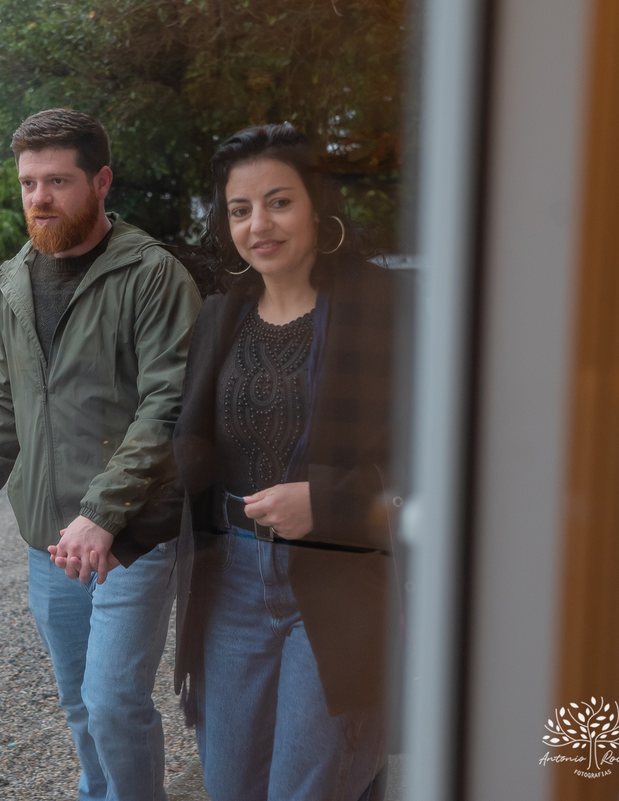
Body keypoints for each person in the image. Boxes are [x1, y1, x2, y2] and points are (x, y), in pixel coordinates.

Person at [0, 108, 202, 801]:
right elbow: (4, 396)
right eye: (29, 182)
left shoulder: (152, 274)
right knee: (79, 699)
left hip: (131, 533)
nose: (40, 198)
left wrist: (102, 512)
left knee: (115, 697)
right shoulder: (12, 279)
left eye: (57, 180)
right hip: (47, 537)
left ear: (102, 181)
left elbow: (168, 404)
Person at [172, 123, 399, 801]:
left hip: (339, 579)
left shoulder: (384, 309)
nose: (258, 225)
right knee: (231, 783)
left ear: (316, 204)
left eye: (278, 202)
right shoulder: (219, 318)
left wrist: (323, 501)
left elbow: (432, 451)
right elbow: (191, 448)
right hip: (231, 580)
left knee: (310, 786)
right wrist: (109, 514)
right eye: (240, 210)